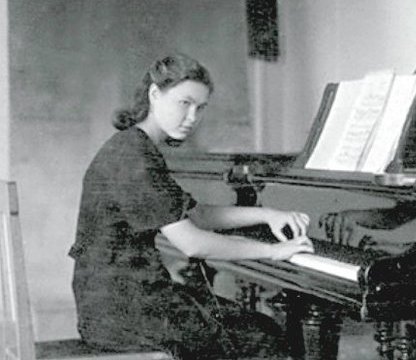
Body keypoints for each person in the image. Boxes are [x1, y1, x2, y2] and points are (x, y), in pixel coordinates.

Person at [69, 53, 314, 360]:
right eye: (184, 103)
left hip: (120, 302)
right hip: (122, 313)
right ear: (154, 94)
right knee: (262, 334)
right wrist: (272, 251)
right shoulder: (134, 156)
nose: (192, 117)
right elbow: (193, 244)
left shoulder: (135, 146)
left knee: (250, 325)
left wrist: (267, 214)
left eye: (200, 108)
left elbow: (197, 215)